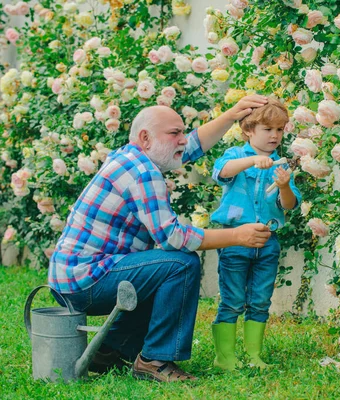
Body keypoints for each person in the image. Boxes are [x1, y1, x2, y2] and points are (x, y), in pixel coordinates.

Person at [47, 95, 272, 382]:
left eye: (182, 132)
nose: (182, 140)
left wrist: (230, 115)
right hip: (84, 283)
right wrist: (237, 235)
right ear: (146, 137)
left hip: (76, 276)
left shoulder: (132, 154)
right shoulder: (143, 172)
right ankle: (155, 360)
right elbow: (172, 237)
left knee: (160, 268)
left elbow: (189, 146)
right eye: (175, 133)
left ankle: (109, 350)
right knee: (179, 263)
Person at [209, 98, 301, 370]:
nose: (275, 135)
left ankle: (253, 356)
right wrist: (252, 160)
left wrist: (284, 185)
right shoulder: (236, 156)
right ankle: (224, 357)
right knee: (233, 300)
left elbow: (289, 204)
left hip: (268, 241)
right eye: (268, 129)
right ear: (248, 130)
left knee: (260, 300)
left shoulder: (281, 165)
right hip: (235, 239)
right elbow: (220, 173)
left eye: (280, 130)